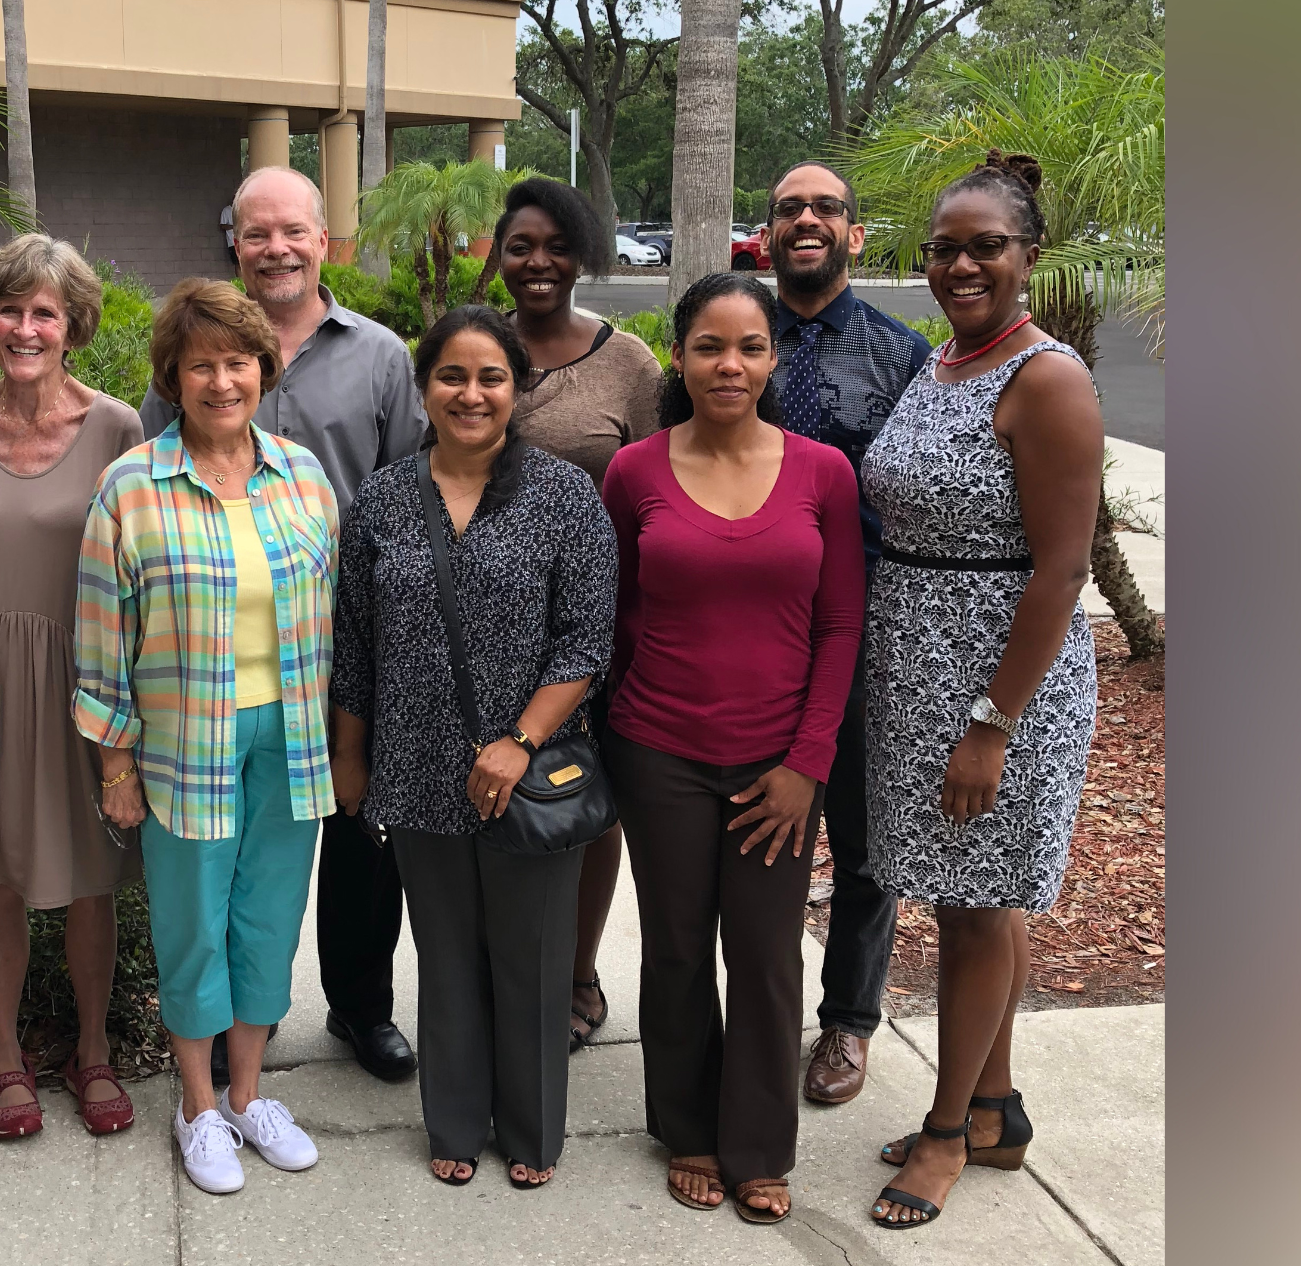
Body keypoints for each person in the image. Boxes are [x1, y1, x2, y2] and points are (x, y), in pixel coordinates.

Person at [142, 166, 425, 1084]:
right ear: (237, 241)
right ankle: (222, 1032)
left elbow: (406, 496)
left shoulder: (379, 355)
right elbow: (157, 472)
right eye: (258, 233)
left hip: (340, 643)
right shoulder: (200, 344)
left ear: (322, 238)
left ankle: (359, 1007)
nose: (276, 248)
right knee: (228, 865)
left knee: (355, 842)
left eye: (292, 232)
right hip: (220, 654)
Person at [860, 152, 1101, 1230]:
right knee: (970, 899)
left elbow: (1059, 571)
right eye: (943, 249)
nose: (961, 265)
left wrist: (990, 726)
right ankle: (994, 1108)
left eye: (984, 247)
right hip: (919, 666)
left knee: (970, 910)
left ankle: (947, 1133)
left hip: (999, 682)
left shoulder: (1042, 377)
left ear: (1027, 257)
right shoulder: (945, 361)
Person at [331, 307, 617, 1190]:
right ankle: (454, 1122)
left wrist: (518, 741)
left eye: (491, 376)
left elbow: (586, 642)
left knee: (531, 961)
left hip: (528, 773)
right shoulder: (380, 499)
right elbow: (353, 644)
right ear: (423, 389)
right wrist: (352, 756)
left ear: (518, 388)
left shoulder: (565, 496)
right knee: (445, 955)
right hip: (413, 767)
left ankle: (531, 1131)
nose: (471, 393)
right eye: (451, 375)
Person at [601, 272, 865, 1225]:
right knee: (675, 949)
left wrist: (808, 765)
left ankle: (757, 1144)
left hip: (778, 766)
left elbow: (840, 626)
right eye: (710, 346)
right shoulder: (632, 471)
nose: (730, 364)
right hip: (657, 747)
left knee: (762, 955)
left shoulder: (822, 473)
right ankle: (688, 1130)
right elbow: (617, 615)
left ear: (772, 358)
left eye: (750, 346)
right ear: (679, 355)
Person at [79, 278, 340, 1195]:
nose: (222, 382)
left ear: (263, 370)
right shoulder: (131, 487)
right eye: (202, 365)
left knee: (268, 918)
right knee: (192, 922)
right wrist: (114, 761)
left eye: (238, 362)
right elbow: (102, 635)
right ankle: (195, 1107)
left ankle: (246, 1096)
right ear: (173, 377)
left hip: (290, 734)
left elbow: (332, 616)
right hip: (184, 736)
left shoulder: (303, 476)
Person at [0, 233, 144, 1141]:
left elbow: (140, 570)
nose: (26, 327)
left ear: (73, 325)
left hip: (85, 682)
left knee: (93, 878)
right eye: (10, 310)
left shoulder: (117, 427)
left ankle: (92, 1049)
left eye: (44, 312)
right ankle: (6, 1054)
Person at [762, 159, 935, 1108]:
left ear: (854, 235)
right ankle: (758, 1006)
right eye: (789, 209)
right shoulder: (736, 340)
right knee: (760, 830)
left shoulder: (900, 356)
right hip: (754, 632)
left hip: (868, 631)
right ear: (767, 232)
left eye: (826, 208)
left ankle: (847, 1022)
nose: (808, 220)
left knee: (863, 838)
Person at [490, 175, 664, 1053]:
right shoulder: (476, 346)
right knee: (495, 796)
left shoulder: (629, 364)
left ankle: (577, 970)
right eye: (520, 245)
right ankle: (500, 968)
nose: (538, 262)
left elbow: (669, 481)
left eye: (557, 244)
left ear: (585, 251)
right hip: (482, 629)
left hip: (599, 628)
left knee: (589, 802)